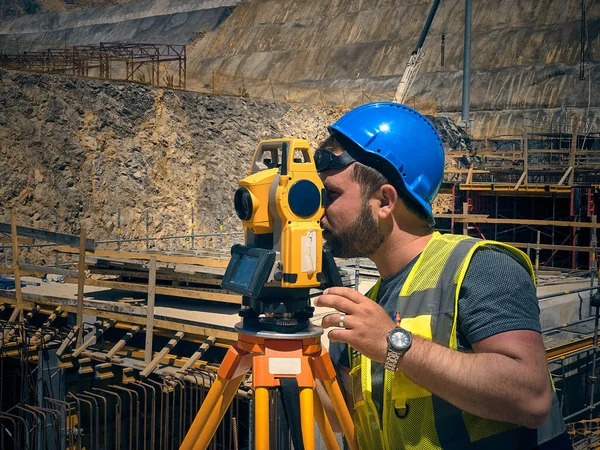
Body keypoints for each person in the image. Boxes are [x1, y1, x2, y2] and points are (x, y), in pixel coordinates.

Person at [313, 102, 571, 449]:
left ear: (385, 201)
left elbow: (531, 396)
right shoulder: (370, 308)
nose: (319, 210)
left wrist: (393, 343)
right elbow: (340, 416)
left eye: (331, 194)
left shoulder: (478, 267)